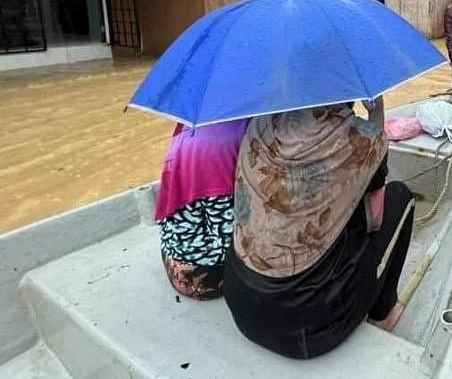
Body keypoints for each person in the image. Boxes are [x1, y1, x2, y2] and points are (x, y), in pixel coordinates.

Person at [222, 99, 415, 359]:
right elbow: (375, 218)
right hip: (310, 329)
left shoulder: (259, 122)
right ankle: (384, 312)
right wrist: (376, 114)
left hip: (240, 300)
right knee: (401, 196)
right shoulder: (359, 138)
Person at [155, 119, 250, 300]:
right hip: (203, 276)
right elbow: (227, 245)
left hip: (172, 252)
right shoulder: (233, 142)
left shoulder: (192, 124)